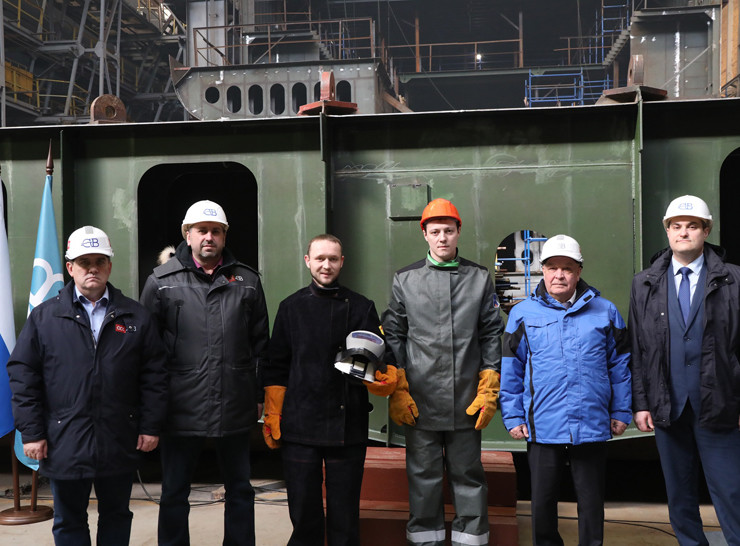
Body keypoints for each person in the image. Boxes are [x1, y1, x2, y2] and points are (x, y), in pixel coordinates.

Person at [7, 225, 168, 546]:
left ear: (109, 265)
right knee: (69, 521)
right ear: (70, 268)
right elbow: (24, 375)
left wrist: (151, 426)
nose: (92, 268)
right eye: (84, 262)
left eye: (99, 261)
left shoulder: (136, 317)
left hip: (118, 438)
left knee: (117, 515)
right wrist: (32, 432)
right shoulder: (45, 318)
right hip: (63, 439)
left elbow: (155, 376)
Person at [140, 200, 270, 546]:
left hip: (234, 401)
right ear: (188, 234)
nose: (208, 237)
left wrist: (258, 394)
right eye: (202, 231)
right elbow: (147, 352)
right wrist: (152, 404)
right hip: (180, 405)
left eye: (216, 231)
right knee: (174, 491)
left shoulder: (247, 281)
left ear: (224, 236)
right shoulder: (161, 282)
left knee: (240, 488)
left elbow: (260, 344)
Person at [382, 198, 504, 546]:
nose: (442, 238)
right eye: (435, 231)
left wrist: (489, 382)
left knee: (468, 475)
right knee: (423, 477)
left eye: (448, 231)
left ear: (458, 231)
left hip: (467, 399)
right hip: (419, 400)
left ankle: (471, 540)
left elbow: (491, 333)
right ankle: (426, 540)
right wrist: (399, 386)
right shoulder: (405, 280)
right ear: (425, 234)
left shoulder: (479, 278)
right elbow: (394, 334)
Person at [262, 233, 397, 546]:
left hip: (347, 426)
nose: (326, 265)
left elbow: (383, 357)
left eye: (332, 259)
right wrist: (273, 411)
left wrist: (383, 376)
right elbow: (276, 365)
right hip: (299, 427)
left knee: (344, 516)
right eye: (320, 258)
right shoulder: (291, 307)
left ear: (342, 262)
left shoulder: (362, 307)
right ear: (307, 261)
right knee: (304, 513)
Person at [499, 234, 632, 546]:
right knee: (543, 502)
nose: (559, 275)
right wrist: (513, 415)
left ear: (579, 272)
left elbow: (621, 366)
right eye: (552, 268)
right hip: (543, 422)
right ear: (543, 271)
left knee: (591, 501)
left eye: (567, 268)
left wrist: (621, 410)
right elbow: (511, 368)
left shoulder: (606, 311)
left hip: (592, 421)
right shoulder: (523, 314)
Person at [629, 195, 740, 546]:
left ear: (706, 231)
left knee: (731, 491)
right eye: (676, 226)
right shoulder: (644, 283)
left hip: (719, 403)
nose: (683, 232)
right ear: (667, 231)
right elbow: (638, 349)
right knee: (679, 493)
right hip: (668, 404)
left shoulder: (734, 280)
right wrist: (641, 403)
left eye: (692, 226)